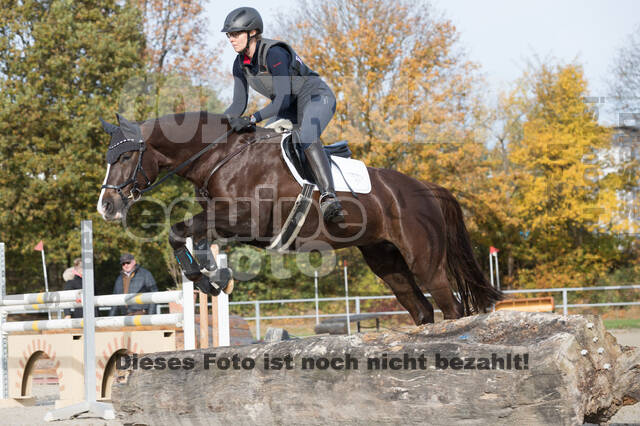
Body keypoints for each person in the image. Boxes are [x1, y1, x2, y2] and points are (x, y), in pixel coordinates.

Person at [222, 6, 345, 224]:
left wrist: (252, 119)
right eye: (229, 35)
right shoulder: (239, 64)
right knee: (261, 143)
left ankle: (328, 196)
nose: (231, 39)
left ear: (252, 33)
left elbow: (282, 100)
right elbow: (238, 104)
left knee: (306, 135)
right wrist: (217, 124)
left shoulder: (273, 53)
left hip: (316, 97)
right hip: (289, 107)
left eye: (235, 34)